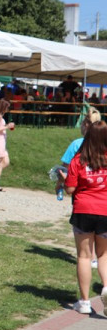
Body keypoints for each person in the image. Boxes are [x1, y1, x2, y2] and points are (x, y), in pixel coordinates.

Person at [64, 121, 107, 316]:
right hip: (105, 210)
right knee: (104, 255)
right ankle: (106, 288)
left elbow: (70, 188)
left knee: (84, 256)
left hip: (83, 209)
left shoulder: (78, 160)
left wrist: (61, 178)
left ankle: (84, 302)